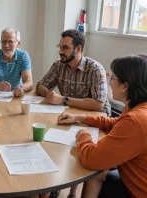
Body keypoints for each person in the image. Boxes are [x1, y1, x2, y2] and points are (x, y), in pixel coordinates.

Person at [57, 54, 147, 198]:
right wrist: (81, 117)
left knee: (95, 169)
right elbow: (116, 123)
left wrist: (83, 136)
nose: (110, 83)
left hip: (138, 191)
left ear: (125, 85)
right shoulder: (138, 108)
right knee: (99, 173)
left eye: (113, 78)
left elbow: (92, 159)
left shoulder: (136, 120)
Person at [36, 29, 111, 117]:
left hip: (95, 118)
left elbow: (98, 105)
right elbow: (40, 86)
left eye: (65, 48)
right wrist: (49, 95)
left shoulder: (95, 69)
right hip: (70, 113)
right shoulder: (58, 65)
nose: (60, 52)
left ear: (78, 49)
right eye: (60, 47)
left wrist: (64, 100)